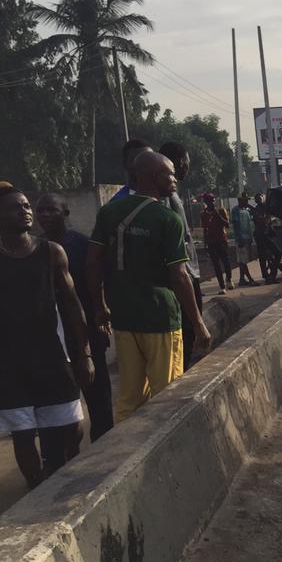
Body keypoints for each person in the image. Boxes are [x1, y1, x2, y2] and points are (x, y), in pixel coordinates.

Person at [87, 153, 212, 421]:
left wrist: (100, 306)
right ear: (153, 177)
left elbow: (93, 263)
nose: (175, 179)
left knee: (129, 396)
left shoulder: (109, 212)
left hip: (123, 317)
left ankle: (124, 448)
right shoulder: (168, 219)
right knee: (167, 395)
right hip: (160, 317)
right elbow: (179, 276)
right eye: (169, 173)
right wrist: (198, 323)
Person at [0, 183, 94, 488]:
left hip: (52, 356)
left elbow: (72, 306)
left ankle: (64, 471)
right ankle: (37, 487)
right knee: (23, 434)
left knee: (72, 427)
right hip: (10, 364)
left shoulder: (51, 252)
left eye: (27, 205)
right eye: (16, 207)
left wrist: (84, 354)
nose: (26, 211)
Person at [35, 193, 114, 441]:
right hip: (52, 337)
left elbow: (98, 286)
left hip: (86, 330)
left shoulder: (82, 246)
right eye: (42, 211)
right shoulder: (35, 249)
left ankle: (104, 447)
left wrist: (101, 322)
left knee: (99, 399)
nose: (45, 215)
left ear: (65, 213)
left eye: (52, 210)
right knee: (60, 407)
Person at [158, 142, 205, 369]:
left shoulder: (174, 195)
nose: (187, 168)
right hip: (183, 272)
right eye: (185, 163)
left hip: (189, 270)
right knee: (187, 333)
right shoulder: (166, 197)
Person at [200, 192, 232, 294]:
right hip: (211, 242)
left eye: (212, 201)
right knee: (216, 265)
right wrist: (205, 244)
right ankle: (222, 286)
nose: (211, 203)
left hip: (222, 240)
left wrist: (218, 215)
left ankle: (229, 279)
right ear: (206, 202)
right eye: (208, 201)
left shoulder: (221, 211)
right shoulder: (203, 214)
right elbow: (205, 229)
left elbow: (227, 224)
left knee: (226, 262)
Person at [108, 138, 153, 203]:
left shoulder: (165, 196)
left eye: (149, 160)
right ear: (125, 164)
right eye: (137, 160)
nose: (144, 164)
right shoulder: (119, 203)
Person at [230, 193, 258, 286]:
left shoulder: (247, 210)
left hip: (248, 238)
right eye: (244, 200)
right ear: (239, 200)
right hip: (241, 238)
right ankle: (250, 279)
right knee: (242, 260)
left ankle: (242, 279)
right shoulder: (235, 210)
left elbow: (254, 215)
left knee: (244, 260)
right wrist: (239, 238)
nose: (246, 201)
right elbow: (236, 225)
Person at [253, 192, 281, 283]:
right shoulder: (258, 209)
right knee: (270, 255)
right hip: (262, 235)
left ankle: (270, 275)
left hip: (265, 235)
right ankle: (269, 276)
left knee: (271, 255)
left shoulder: (265, 208)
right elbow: (262, 220)